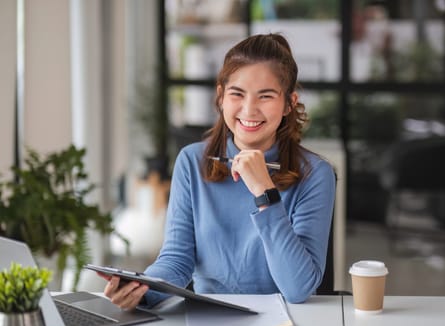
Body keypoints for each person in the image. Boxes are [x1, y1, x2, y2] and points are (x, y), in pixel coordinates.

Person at [101, 33, 336, 309]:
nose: (249, 109)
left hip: (286, 325)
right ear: (221, 96)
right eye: (237, 93)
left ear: (289, 103)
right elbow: (177, 260)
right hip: (209, 322)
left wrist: (265, 193)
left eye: (266, 96)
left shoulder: (316, 175)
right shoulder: (191, 162)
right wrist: (141, 290)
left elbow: (298, 289)